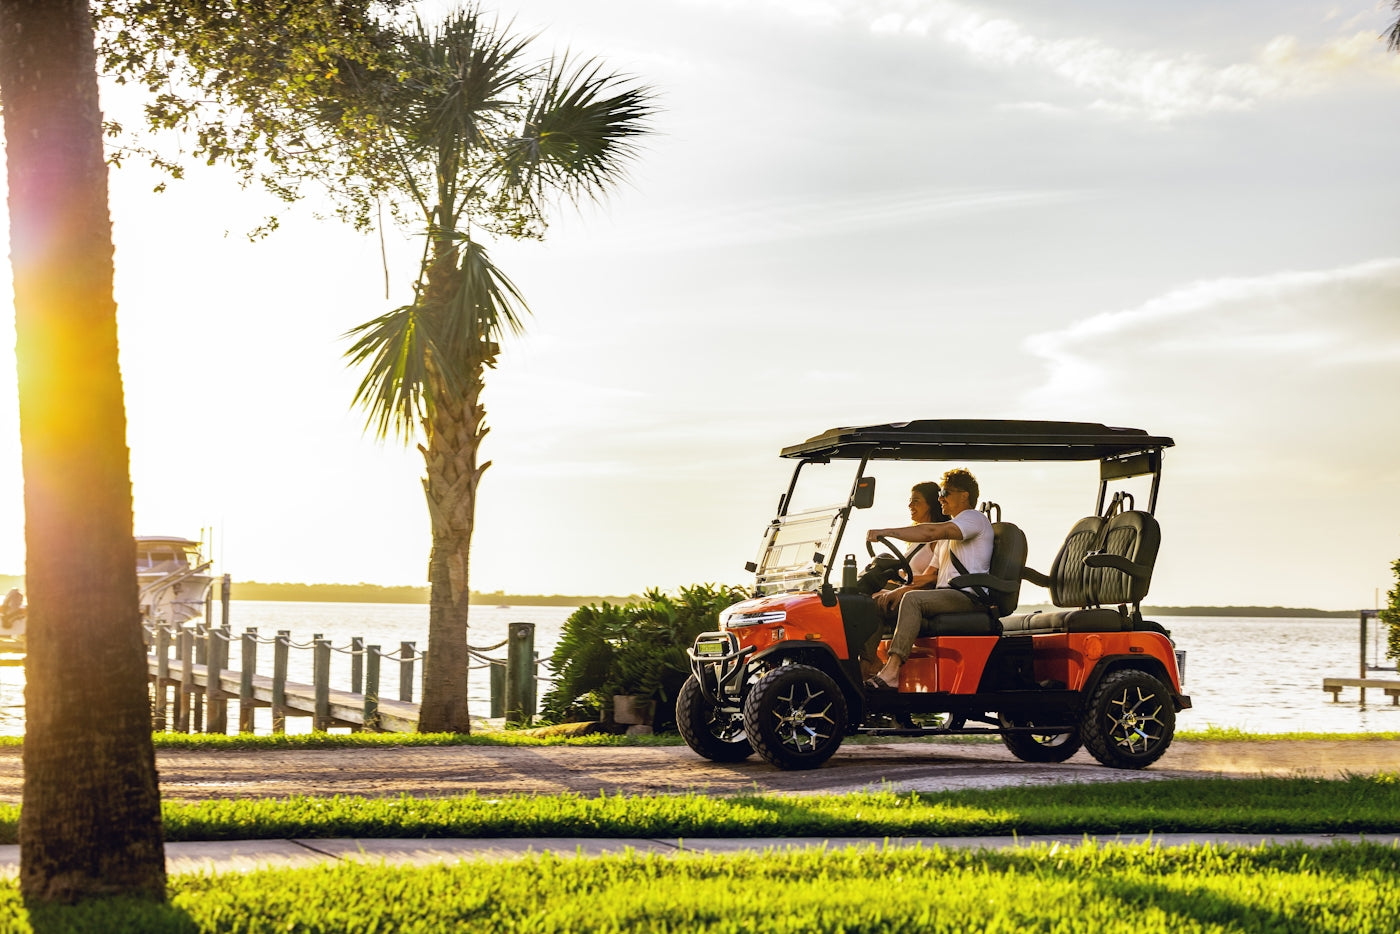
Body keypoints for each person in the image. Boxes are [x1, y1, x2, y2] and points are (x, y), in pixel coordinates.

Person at [862, 468, 992, 691]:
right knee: (876, 604)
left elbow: (929, 532)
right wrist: (895, 591)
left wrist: (887, 531)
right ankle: (862, 672)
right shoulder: (948, 535)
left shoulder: (973, 518)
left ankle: (892, 672)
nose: (940, 497)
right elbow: (930, 574)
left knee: (912, 600)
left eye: (946, 492)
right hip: (944, 594)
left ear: (965, 495)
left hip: (967, 597)